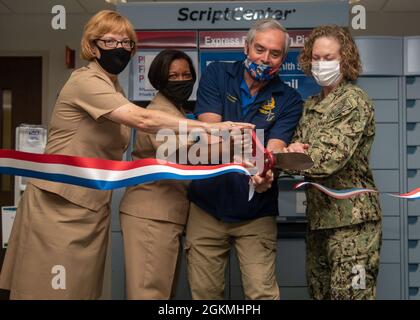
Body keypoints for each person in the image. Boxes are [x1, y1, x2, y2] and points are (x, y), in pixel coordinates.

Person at [0, 10, 252, 300]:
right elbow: (144, 120)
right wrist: (215, 129)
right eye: (109, 41)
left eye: (126, 43)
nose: (119, 49)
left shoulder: (114, 87)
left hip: (91, 207)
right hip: (59, 205)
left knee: (82, 292)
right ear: (92, 46)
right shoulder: (84, 81)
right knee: (50, 292)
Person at [185, 19, 303, 300]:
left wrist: (264, 172)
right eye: (259, 49)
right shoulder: (217, 75)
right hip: (206, 207)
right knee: (205, 295)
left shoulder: (290, 99)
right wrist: (253, 154)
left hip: (256, 212)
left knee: (262, 293)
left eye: (274, 54)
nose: (265, 58)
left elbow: (272, 150)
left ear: (283, 59)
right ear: (246, 47)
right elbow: (209, 137)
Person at [286, 25, 382, 300]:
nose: (320, 64)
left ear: (345, 59)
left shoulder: (353, 101)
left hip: (353, 226)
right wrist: (293, 155)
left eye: (328, 58)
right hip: (319, 221)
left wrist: (295, 155)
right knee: (320, 295)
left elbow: (325, 160)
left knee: (352, 296)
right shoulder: (311, 105)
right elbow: (297, 157)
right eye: (316, 58)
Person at [118, 49, 197, 300]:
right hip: (151, 215)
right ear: (159, 80)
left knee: (161, 294)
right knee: (149, 294)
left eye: (186, 74)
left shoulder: (177, 112)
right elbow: (180, 154)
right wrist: (232, 145)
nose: (181, 80)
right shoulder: (158, 114)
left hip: (165, 214)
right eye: (173, 76)